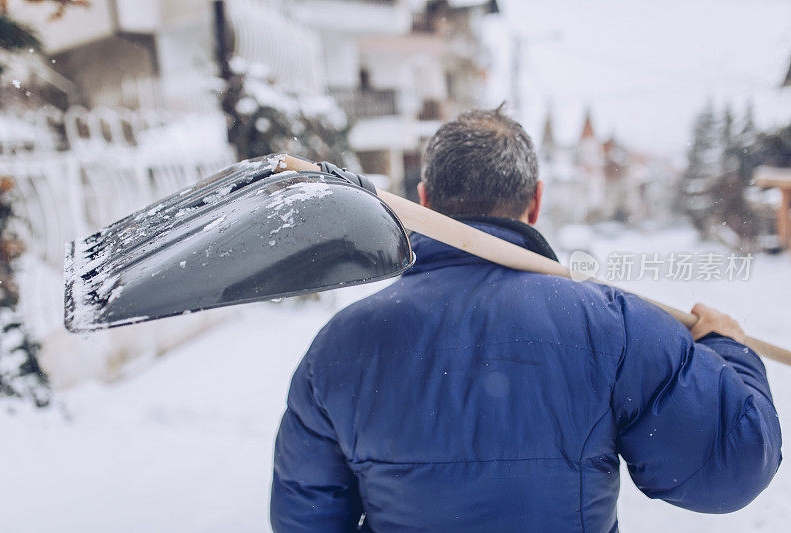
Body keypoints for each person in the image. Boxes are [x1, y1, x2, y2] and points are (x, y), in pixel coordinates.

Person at [270, 109, 782, 532]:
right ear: (535, 201)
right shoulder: (614, 325)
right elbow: (730, 468)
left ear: (424, 200)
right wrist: (730, 349)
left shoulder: (342, 344)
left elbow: (306, 520)